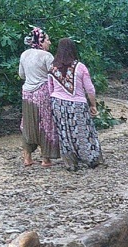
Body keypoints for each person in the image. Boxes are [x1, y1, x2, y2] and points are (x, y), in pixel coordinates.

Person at [48, 37, 102, 171]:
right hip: (77, 104)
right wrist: (93, 105)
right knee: (83, 131)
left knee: (64, 133)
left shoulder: (52, 68)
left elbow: (50, 89)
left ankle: (70, 162)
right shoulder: (80, 67)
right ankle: (91, 158)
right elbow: (90, 89)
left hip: (58, 103)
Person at [18, 26, 57, 168]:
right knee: (45, 123)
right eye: (47, 39)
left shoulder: (24, 54)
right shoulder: (47, 56)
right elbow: (55, 74)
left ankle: (27, 158)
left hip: (27, 94)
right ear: (40, 41)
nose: (50, 43)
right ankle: (45, 159)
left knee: (28, 123)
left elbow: (21, 75)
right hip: (43, 93)